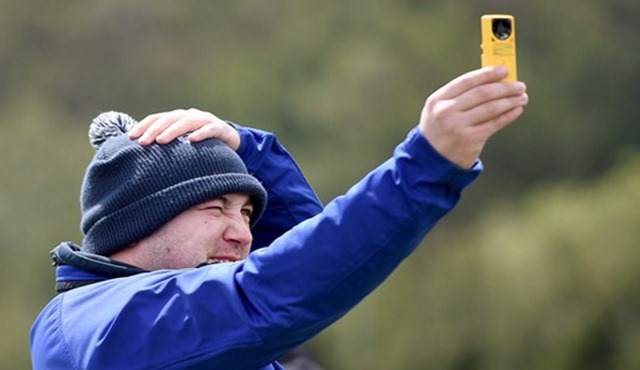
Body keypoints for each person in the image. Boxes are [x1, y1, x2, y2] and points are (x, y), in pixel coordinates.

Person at [30, 66, 528, 370]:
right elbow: (277, 290)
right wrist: (426, 166)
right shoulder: (100, 325)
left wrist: (249, 150)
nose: (242, 233)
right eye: (214, 208)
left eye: (247, 212)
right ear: (139, 220)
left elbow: (310, 262)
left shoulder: (170, 310)